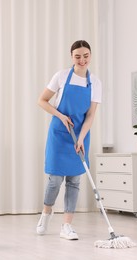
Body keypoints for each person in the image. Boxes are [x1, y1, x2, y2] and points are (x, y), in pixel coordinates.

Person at [36, 40, 102, 240]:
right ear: (71, 57)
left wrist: (81, 138)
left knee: (74, 180)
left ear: (90, 55)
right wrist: (60, 115)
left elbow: (90, 115)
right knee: (55, 179)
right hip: (59, 133)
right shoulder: (62, 76)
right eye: (77, 56)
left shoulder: (95, 82)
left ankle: (67, 226)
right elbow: (42, 100)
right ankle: (46, 214)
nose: (82, 60)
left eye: (86, 55)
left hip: (80, 135)